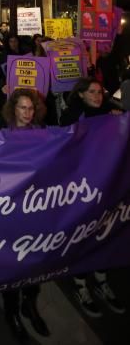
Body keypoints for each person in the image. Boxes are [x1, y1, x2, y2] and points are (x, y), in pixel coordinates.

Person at [60, 78, 125, 317]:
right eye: (92, 92)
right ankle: (80, 284)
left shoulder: (113, 112)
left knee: (105, 229)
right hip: (82, 187)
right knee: (84, 232)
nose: (98, 96)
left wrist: (121, 121)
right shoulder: (71, 117)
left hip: (109, 184)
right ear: (80, 95)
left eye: (100, 91)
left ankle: (101, 278)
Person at [1, 89, 49, 341]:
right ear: (13, 109)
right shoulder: (0, 137)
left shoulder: (44, 135)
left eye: (31, 108)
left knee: (35, 261)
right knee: (13, 263)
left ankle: (29, 304)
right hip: (12, 211)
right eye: (23, 108)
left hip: (36, 208)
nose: (28, 113)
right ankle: (12, 313)